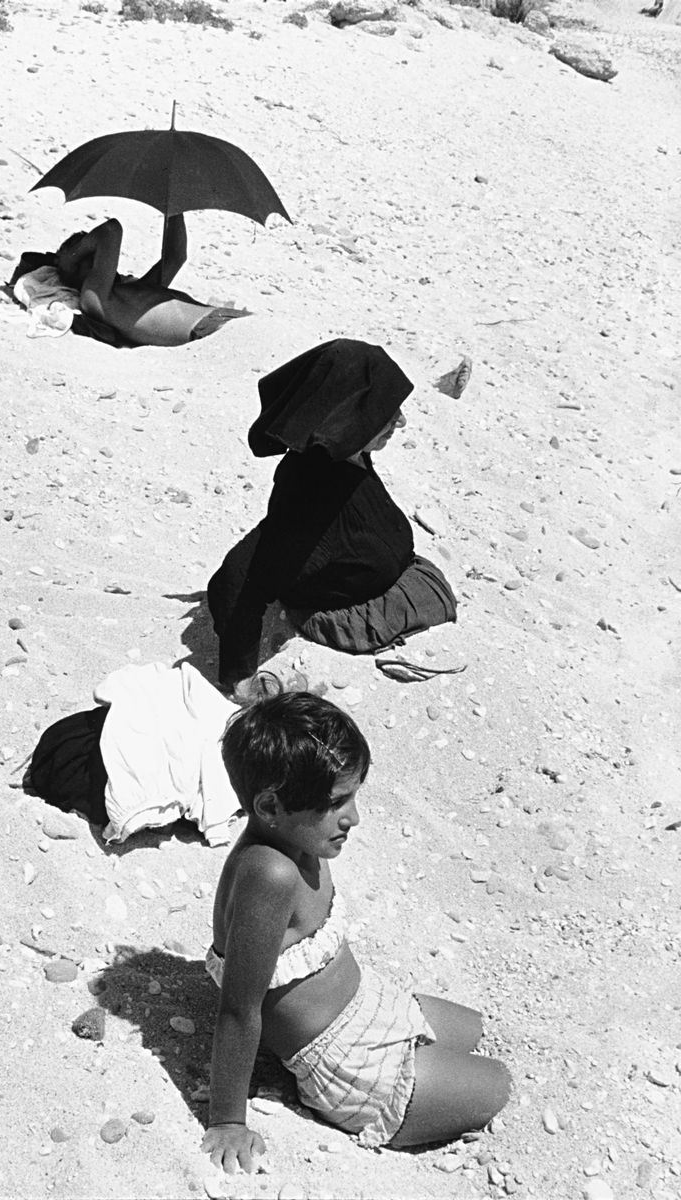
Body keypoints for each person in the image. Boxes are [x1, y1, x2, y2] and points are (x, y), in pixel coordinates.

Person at [202, 691, 511, 1173]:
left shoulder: (300, 843)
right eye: (336, 803)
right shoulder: (270, 874)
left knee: (482, 1031)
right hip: (347, 1062)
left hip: (370, 1006)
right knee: (502, 1085)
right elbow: (238, 1009)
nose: (354, 817)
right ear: (270, 805)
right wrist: (227, 1120)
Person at [207, 339, 457, 692]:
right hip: (352, 610)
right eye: (386, 413)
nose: (401, 421)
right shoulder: (310, 490)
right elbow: (236, 579)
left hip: (390, 576)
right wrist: (241, 679)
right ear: (350, 416)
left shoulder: (345, 450)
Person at [55, 216, 248, 347]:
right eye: (90, 256)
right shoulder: (94, 299)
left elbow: (175, 257)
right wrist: (69, 258)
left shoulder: (132, 291)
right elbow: (110, 230)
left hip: (223, 318)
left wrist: (173, 210)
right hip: (205, 331)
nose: (100, 259)